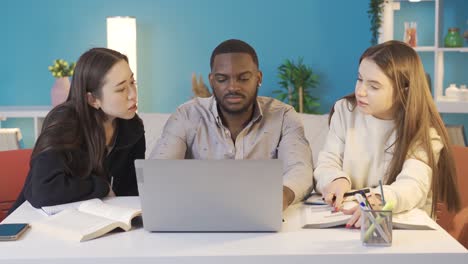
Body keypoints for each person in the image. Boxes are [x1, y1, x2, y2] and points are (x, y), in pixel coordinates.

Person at [150, 39, 313, 210]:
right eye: (222, 79)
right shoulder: (186, 115)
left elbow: (300, 170)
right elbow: (158, 170)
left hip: (264, 217)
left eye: (243, 78)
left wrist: (282, 196)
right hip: (198, 216)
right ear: (212, 80)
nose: (233, 87)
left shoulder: (283, 116)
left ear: (258, 78)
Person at [314, 40, 460, 227]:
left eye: (374, 86)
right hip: (347, 221)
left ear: (403, 91)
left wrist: (379, 199)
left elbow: (414, 185)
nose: (360, 91)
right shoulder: (345, 111)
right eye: (359, 79)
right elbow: (327, 161)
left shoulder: (423, 131)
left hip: (402, 230)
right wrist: (336, 179)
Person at [9, 48, 145, 213]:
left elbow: (132, 192)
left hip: (95, 220)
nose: (133, 94)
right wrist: (102, 187)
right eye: (121, 89)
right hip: (34, 224)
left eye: (132, 82)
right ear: (93, 99)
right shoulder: (64, 124)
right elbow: (43, 190)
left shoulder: (131, 127)